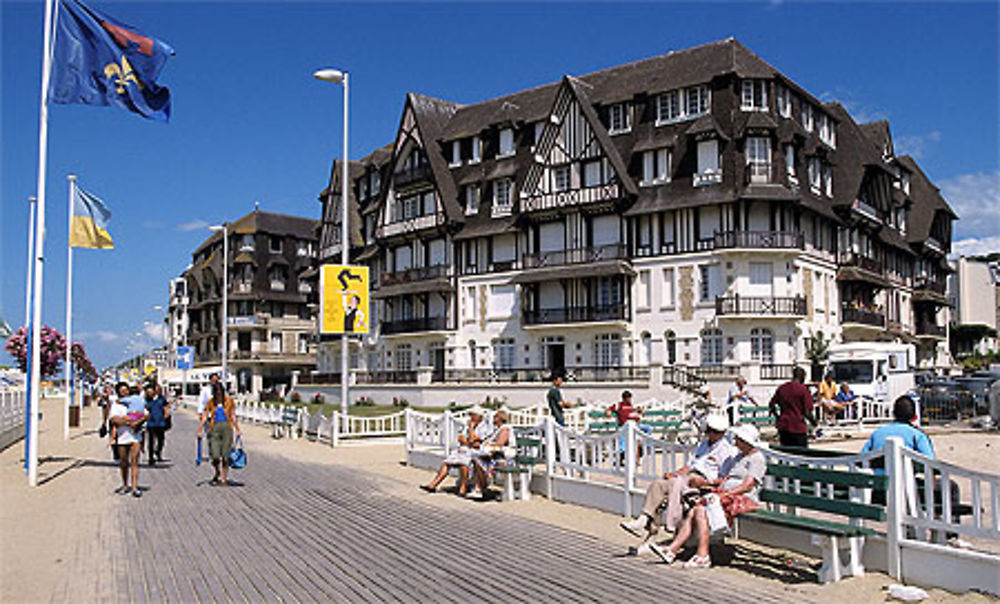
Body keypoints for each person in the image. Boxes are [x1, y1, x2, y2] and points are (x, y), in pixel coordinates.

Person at [650, 424, 767, 568]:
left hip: (742, 497)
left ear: (745, 441)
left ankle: (702, 554)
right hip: (726, 493)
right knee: (694, 510)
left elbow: (748, 485)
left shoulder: (757, 459)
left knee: (700, 510)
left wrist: (726, 493)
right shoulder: (739, 457)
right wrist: (712, 486)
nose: (735, 441)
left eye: (738, 438)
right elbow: (726, 479)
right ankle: (672, 549)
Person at [620, 414, 734, 547]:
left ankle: (671, 524)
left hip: (702, 482)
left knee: (672, 487)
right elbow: (689, 466)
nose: (710, 434)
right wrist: (674, 473)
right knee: (658, 485)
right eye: (709, 430)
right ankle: (644, 520)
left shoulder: (726, 450)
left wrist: (705, 483)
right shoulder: (703, 445)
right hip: (687, 478)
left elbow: (724, 478)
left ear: (723, 433)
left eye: (715, 432)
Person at [420, 406, 493, 496]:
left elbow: (475, 443)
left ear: (478, 417)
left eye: (472, 415)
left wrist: (471, 429)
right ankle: (433, 484)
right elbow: (461, 438)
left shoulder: (484, 428)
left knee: (463, 462)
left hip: (476, 452)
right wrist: (469, 440)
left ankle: (463, 488)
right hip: (465, 449)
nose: (470, 417)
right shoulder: (467, 425)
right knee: (446, 462)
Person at [861, 395, 934, 459]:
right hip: (907, 474)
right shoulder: (918, 435)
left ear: (893, 413)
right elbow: (930, 460)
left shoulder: (877, 433)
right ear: (915, 417)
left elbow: (862, 456)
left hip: (879, 474)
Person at [107, 382, 147, 497]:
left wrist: (137, 422)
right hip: (122, 436)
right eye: (122, 390)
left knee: (135, 461)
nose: (125, 392)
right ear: (118, 392)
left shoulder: (137, 401)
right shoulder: (117, 405)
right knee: (124, 462)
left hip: (136, 437)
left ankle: (134, 487)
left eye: (126, 389)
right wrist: (130, 423)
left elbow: (146, 415)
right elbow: (114, 419)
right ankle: (125, 484)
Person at [197, 382, 241, 486]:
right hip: (214, 428)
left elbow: (233, 415)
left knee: (226, 455)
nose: (218, 395)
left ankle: (224, 478)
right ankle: (217, 471)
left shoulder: (229, 401)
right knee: (215, 454)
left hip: (227, 428)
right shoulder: (211, 402)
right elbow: (205, 415)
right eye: (216, 393)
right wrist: (199, 430)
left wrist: (237, 429)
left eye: (220, 393)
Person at [472, 409, 516, 499]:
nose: (493, 419)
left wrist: (488, 445)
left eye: (495, 417)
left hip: (504, 459)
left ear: (499, 418)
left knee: (479, 461)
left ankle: (481, 488)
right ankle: (480, 488)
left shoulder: (505, 429)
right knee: (477, 460)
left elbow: (500, 444)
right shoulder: (498, 429)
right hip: (496, 456)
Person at [769, 366, 817, 447]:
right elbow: (807, 412)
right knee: (801, 455)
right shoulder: (803, 390)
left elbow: (771, 405)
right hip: (798, 427)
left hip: (784, 426)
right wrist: (814, 422)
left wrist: (778, 417)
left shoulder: (782, 388)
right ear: (802, 376)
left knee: (786, 454)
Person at [143, 382, 169, 465]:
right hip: (151, 423)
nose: (149, 394)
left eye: (150, 392)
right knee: (151, 441)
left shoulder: (161, 398)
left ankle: (158, 452)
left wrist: (166, 415)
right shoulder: (146, 400)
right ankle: (151, 457)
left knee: (161, 440)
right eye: (148, 392)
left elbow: (166, 406)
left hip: (160, 422)